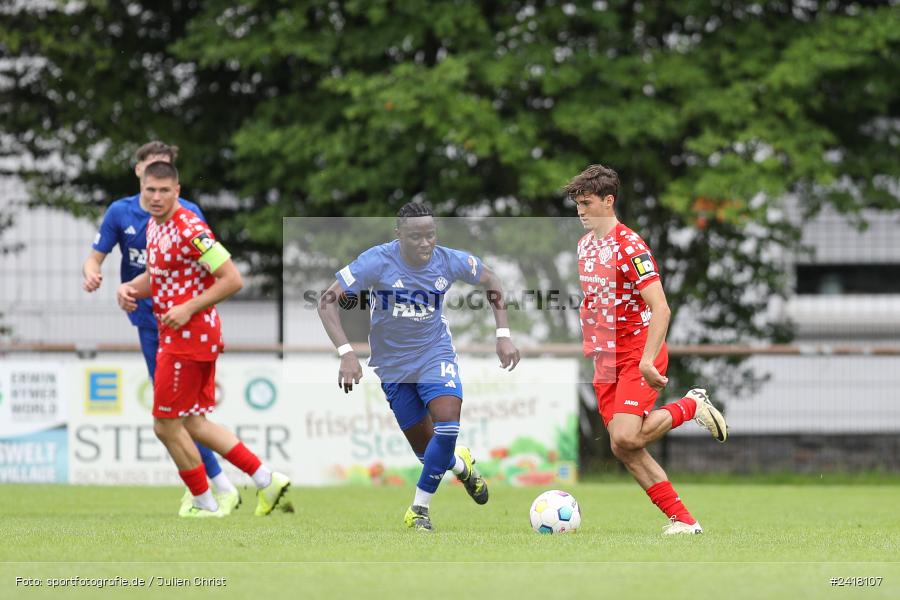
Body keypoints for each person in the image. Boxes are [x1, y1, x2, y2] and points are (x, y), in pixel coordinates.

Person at [317, 202, 520, 531]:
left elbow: (491, 279)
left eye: (430, 235)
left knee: (448, 426)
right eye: (415, 237)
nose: (425, 243)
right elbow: (327, 301)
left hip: (434, 353)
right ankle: (460, 465)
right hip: (392, 366)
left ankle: (418, 510)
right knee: (430, 454)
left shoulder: (448, 260)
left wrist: (503, 334)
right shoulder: (377, 261)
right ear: (398, 235)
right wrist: (346, 353)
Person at [116, 161, 290, 517]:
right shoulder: (154, 225)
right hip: (178, 335)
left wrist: (186, 309)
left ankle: (205, 503)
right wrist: (131, 288)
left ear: (178, 191)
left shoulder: (190, 229)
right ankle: (265, 479)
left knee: (165, 424)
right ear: (142, 191)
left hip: (189, 337)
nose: (157, 197)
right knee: (194, 423)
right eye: (151, 190)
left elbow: (232, 279)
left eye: (165, 190)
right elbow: (160, 275)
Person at [566, 164, 728, 535]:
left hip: (637, 352)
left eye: (587, 203)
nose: (580, 211)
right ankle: (684, 521)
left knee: (624, 436)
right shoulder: (585, 245)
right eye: (577, 204)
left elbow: (661, 308)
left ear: (609, 201)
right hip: (605, 357)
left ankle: (692, 405)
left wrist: (645, 360)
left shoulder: (631, 246)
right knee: (624, 447)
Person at [82, 141, 237, 515]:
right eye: (151, 178)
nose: (157, 191)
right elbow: (99, 258)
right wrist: (99, 275)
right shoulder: (123, 213)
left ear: (176, 186)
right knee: (174, 415)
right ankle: (224, 485)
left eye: (165, 181)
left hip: (186, 324)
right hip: (149, 321)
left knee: (174, 416)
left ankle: (215, 489)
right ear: (139, 172)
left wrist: (208, 321)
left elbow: (218, 274)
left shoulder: (187, 217)